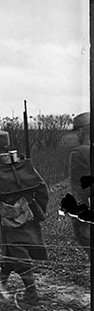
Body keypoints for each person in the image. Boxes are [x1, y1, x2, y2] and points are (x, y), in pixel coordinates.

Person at [0, 130, 49, 304]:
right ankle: (1, 282)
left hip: (7, 220)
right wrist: (36, 209)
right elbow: (43, 189)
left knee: (18, 254)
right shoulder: (24, 165)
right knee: (11, 251)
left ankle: (31, 292)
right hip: (28, 215)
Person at [69, 112, 91, 261]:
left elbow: (79, 190)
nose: (77, 135)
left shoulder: (79, 153)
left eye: (77, 131)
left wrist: (78, 221)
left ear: (83, 130)